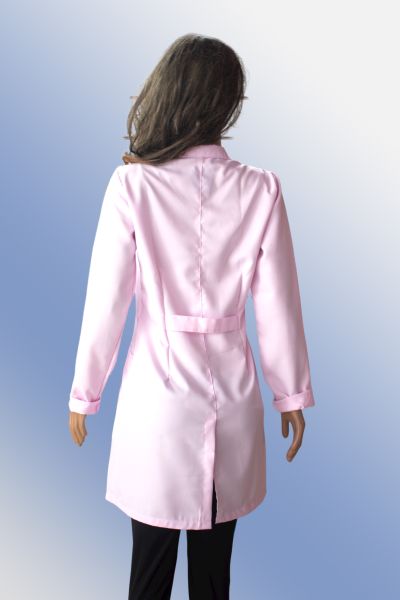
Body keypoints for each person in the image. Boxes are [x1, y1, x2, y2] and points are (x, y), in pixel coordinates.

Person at [68, 33, 316, 600]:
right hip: (232, 401)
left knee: (148, 575)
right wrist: (290, 395)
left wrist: (85, 392)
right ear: (228, 103)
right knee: (213, 578)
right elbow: (278, 303)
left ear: (168, 93)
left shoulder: (133, 184)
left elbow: (106, 302)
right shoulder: (261, 189)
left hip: (156, 401)